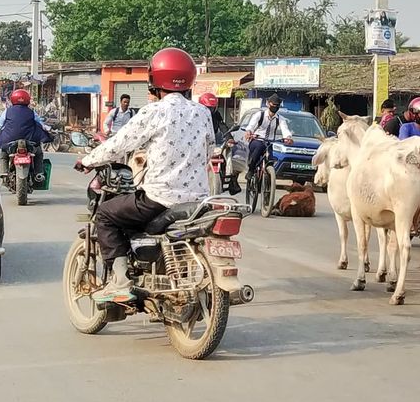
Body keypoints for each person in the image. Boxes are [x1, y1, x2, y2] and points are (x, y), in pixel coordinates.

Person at [76, 48, 215, 303]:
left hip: (160, 198)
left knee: (106, 214)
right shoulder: (203, 112)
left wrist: (88, 160)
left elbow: (119, 144)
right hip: (198, 200)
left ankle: (120, 281)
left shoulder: (154, 112)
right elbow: (208, 151)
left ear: (154, 80)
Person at [237, 94, 295, 185]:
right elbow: (251, 126)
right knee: (259, 147)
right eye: (273, 104)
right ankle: (251, 170)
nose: (275, 107)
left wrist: (288, 137)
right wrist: (249, 132)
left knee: (271, 160)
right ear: (268, 104)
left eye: (277, 105)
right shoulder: (259, 115)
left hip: (269, 142)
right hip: (257, 140)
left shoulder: (280, 119)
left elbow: (285, 129)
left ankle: (267, 182)